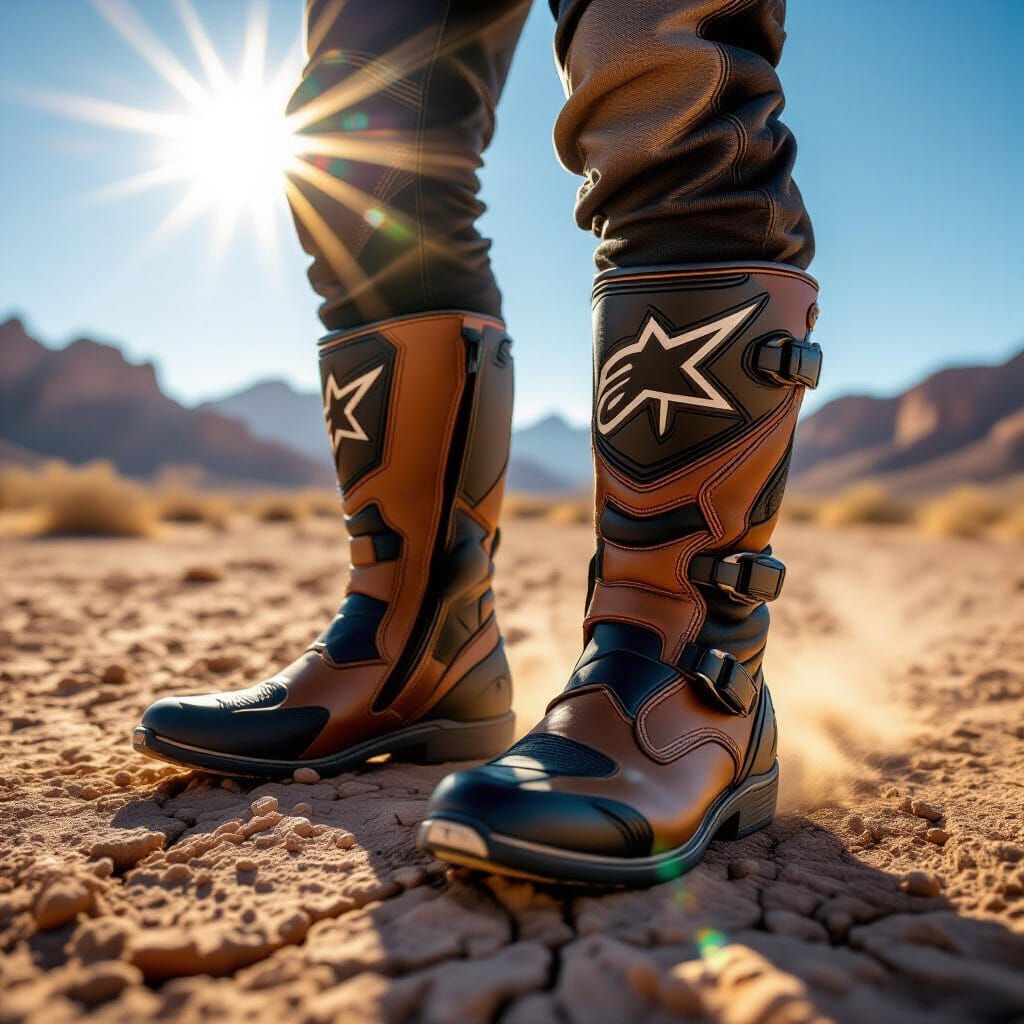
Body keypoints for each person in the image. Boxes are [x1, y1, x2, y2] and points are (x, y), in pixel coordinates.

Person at [135, 0, 821, 886]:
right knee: (355, 151)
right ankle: (414, 644)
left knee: (664, 79)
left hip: (686, 687)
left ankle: (688, 682)